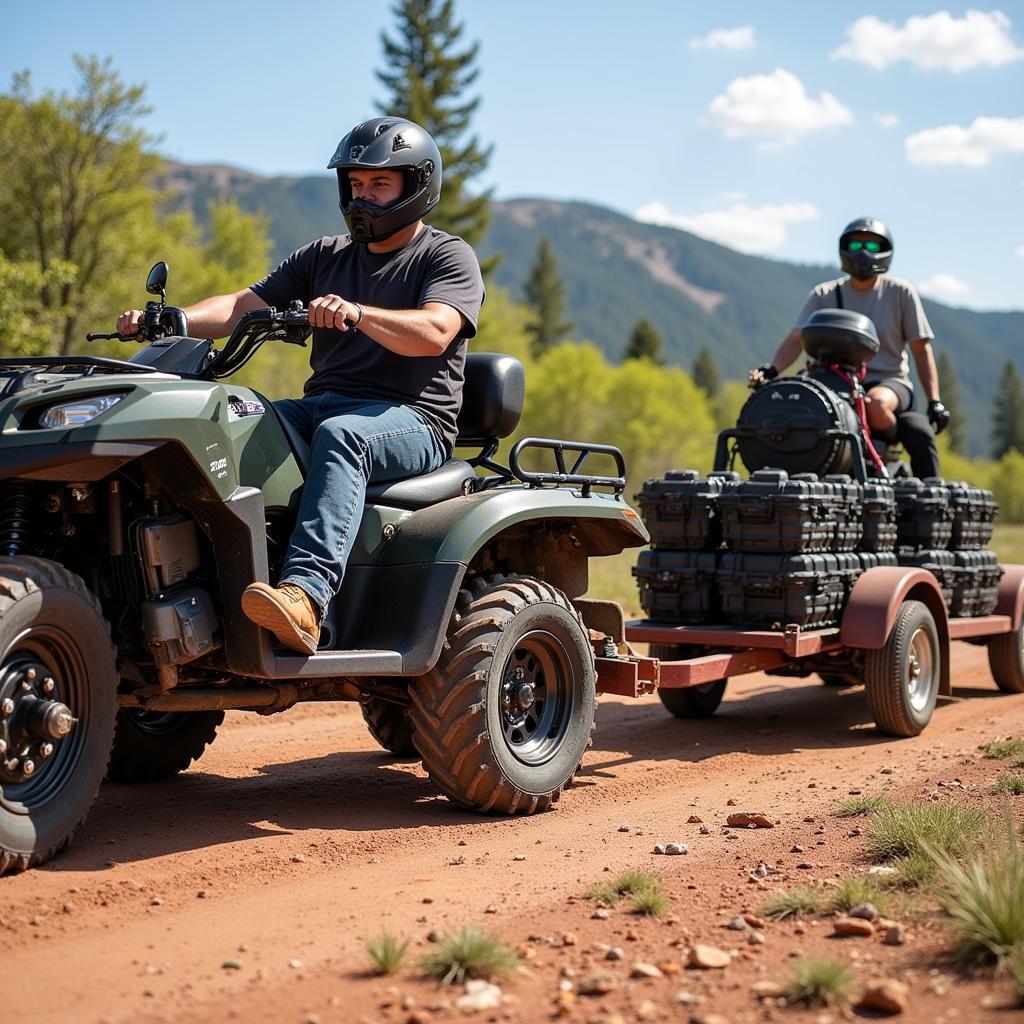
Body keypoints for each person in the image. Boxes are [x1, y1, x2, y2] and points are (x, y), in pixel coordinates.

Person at [118, 117, 485, 654]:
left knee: (344, 435)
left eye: (379, 185)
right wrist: (176, 320)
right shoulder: (326, 255)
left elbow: (435, 332)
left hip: (414, 420)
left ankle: (307, 598)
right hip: (324, 406)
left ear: (417, 184)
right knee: (231, 419)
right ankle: (194, 585)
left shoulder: (446, 256)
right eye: (355, 185)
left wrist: (357, 313)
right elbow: (243, 305)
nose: (363, 197)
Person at [750, 217, 950, 478]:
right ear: (844, 249)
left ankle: (894, 455)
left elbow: (921, 350)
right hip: (832, 382)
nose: (864, 253)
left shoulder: (900, 293)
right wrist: (772, 369)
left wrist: (934, 401)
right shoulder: (825, 294)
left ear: (886, 252)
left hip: (888, 382)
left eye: (873, 246)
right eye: (856, 245)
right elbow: (795, 338)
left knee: (887, 413)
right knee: (793, 405)